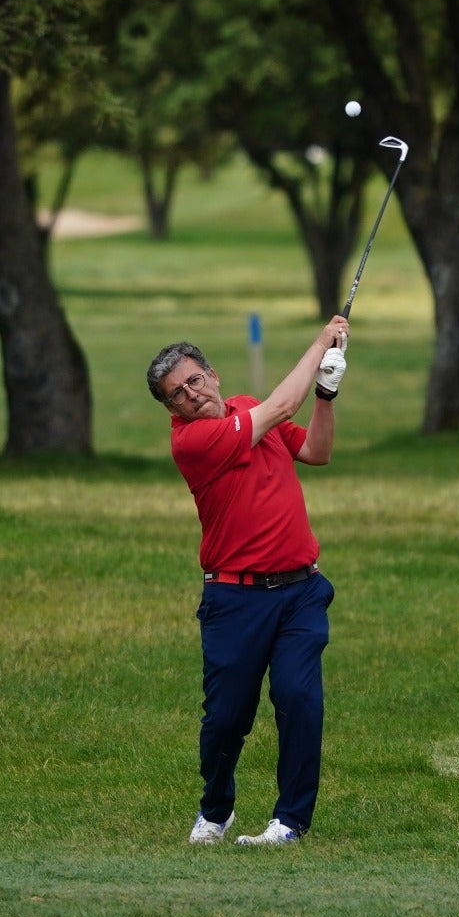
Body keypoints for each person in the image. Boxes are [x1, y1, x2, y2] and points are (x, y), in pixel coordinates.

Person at [146, 315, 351, 846]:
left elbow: (317, 452)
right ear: (170, 411)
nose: (190, 396)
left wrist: (325, 393)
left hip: (300, 591)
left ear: (212, 375)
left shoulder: (244, 407)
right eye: (176, 395)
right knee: (226, 718)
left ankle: (290, 821)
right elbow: (282, 406)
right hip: (234, 597)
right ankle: (215, 810)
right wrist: (317, 342)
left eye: (194, 381)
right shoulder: (194, 442)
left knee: (299, 699)